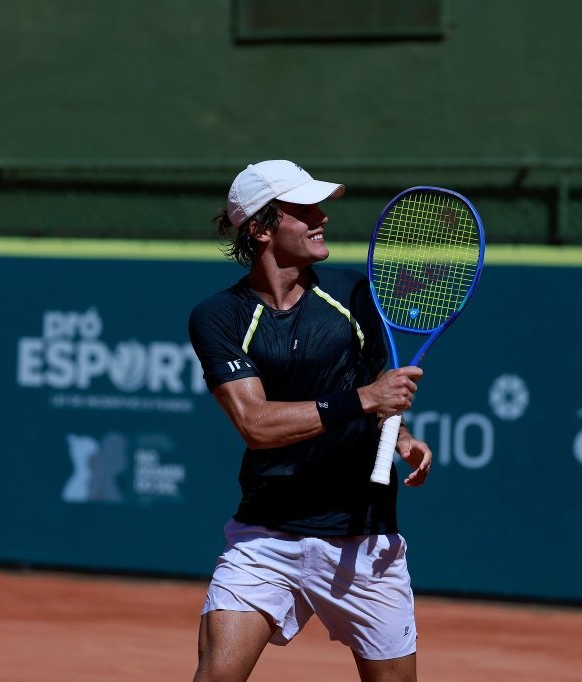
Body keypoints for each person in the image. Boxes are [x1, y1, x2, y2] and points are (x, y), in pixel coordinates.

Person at [188, 160, 433, 682]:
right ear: (260, 228)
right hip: (265, 537)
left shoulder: (354, 296)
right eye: (303, 211)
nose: (321, 218)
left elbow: (379, 396)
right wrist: (364, 399)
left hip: (364, 541)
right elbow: (255, 423)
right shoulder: (219, 317)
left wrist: (404, 438)